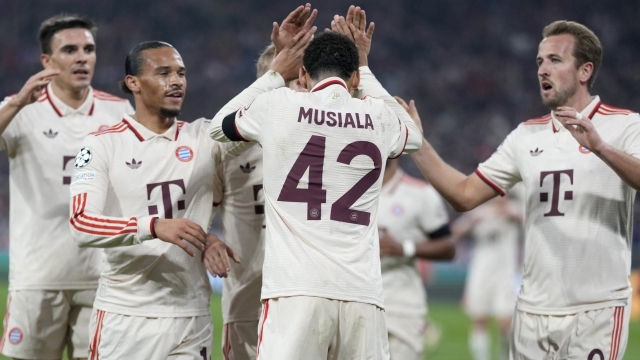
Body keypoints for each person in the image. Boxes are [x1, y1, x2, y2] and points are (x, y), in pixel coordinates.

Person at [408, 20, 639, 359]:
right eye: (539, 61)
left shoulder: (624, 124)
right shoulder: (525, 136)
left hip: (596, 310)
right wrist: (418, 144)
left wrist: (600, 147)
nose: (543, 70)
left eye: (555, 60)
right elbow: (464, 194)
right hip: (532, 312)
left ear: (584, 70)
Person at [209, 7, 422, 359]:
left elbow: (218, 128)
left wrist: (275, 72)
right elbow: (412, 136)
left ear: (304, 74)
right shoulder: (378, 115)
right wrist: (366, 66)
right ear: (354, 79)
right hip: (362, 293)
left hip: (296, 291)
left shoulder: (279, 105)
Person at [68, 40, 264, 359]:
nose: (176, 81)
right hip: (126, 318)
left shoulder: (204, 138)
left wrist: (276, 70)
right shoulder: (100, 145)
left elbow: (248, 117)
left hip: (191, 318)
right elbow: (81, 225)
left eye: (181, 73)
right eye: (163, 72)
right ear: (133, 83)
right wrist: (154, 226)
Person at [0, 14, 133, 360]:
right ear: (47, 61)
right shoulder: (21, 109)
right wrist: (15, 104)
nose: (81, 58)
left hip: (102, 275)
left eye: (88, 49)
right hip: (38, 275)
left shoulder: (118, 110)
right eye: (70, 49)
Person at [215, 44, 272, 360]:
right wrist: (210, 241)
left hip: (306, 296)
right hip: (246, 302)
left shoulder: (321, 141)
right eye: (275, 81)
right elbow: (197, 213)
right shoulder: (226, 150)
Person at [378, 157, 455, 360]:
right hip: (355, 297)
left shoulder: (420, 194)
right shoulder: (345, 189)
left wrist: (404, 248)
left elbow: (448, 247)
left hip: (401, 301)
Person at [452, 194, 522, 360]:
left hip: (506, 272)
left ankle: (504, 356)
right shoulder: (479, 211)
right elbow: (455, 230)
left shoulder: (514, 209)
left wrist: (510, 214)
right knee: (479, 317)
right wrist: (472, 222)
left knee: (506, 321)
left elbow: (528, 223)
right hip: (481, 272)